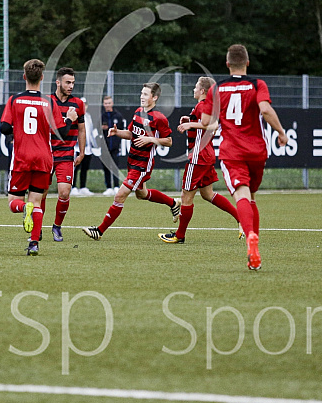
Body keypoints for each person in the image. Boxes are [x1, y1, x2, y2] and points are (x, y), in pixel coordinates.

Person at [203, 44, 288, 271]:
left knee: (242, 195)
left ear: (227, 63)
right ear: (247, 63)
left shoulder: (217, 89)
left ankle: (251, 238)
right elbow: (266, 110)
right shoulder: (256, 84)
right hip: (257, 151)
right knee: (251, 197)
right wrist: (281, 132)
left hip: (233, 152)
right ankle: (255, 249)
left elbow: (205, 122)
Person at [83, 83, 180, 240]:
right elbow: (131, 134)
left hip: (143, 164)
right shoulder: (137, 112)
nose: (141, 96)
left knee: (119, 196)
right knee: (142, 194)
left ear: (154, 98)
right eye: (141, 93)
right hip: (132, 160)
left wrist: (150, 138)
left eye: (146, 94)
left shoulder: (159, 118)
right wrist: (117, 132)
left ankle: (99, 231)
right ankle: (173, 204)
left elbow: (169, 141)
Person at [0, 59, 77, 255]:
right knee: (37, 201)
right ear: (42, 78)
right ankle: (34, 244)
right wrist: (70, 118)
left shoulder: (14, 100)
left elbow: (4, 128)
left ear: (24, 76)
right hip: (44, 158)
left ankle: (23, 208)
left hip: (22, 157)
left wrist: (17, 126)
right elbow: (63, 131)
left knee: (13, 202)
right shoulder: (48, 101)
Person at [159, 77, 240, 244]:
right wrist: (190, 121)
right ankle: (241, 217)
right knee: (207, 194)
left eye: (196, 87)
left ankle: (179, 236)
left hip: (199, 156)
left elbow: (213, 125)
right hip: (206, 154)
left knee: (186, 196)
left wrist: (191, 125)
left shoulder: (203, 105)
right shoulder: (203, 106)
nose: (193, 89)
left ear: (203, 91)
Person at [44, 67, 86, 241]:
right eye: (68, 82)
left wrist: (82, 152)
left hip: (67, 154)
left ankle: (57, 226)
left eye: (73, 83)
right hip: (46, 153)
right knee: (42, 192)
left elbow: (82, 129)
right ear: (58, 82)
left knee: (64, 192)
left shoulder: (78, 103)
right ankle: (37, 226)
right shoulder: (46, 101)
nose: (71, 86)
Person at [100, 95, 125, 196]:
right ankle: (108, 187)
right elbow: (97, 131)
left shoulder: (118, 116)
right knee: (106, 166)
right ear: (103, 104)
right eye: (105, 103)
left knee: (115, 166)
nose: (107, 105)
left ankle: (116, 186)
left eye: (109, 103)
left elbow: (122, 130)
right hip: (104, 146)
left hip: (115, 146)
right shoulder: (102, 116)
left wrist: (117, 142)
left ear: (112, 104)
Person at [72, 98, 97, 197]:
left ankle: (83, 187)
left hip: (88, 148)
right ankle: (73, 187)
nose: (84, 107)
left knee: (84, 168)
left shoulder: (89, 117)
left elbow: (90, 132)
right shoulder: (76, 116)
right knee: (75, 168)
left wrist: (93, 145)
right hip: (77, 148)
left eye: (85, 105)